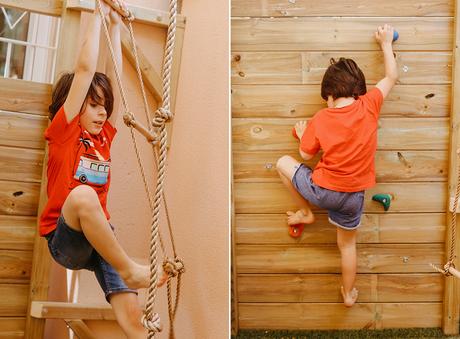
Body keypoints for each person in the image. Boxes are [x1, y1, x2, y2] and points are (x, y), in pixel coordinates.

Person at [39, 2, 165, 337]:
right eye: (93, 105)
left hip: (100, 238)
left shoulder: (103, 136)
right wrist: (97, 10)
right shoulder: (64, 132)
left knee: (133, 320)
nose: (101, 113)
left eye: (103, 107)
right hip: (65, 240)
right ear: (73, 106)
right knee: (82, 194)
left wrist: (115, 23)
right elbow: (85, 70)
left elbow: (114, 80)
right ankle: (130, 270)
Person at [276, 24, 398, 307]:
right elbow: (391, 75)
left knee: (284, 163)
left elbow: (305, 157)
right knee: (347, 245)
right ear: (358, 90)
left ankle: (306, 212)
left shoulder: (321, 117)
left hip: (323, 191)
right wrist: (385, 42)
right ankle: (348, 296)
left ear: (330, 95)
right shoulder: (369, 105)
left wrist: (303, 132)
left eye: (326, 99)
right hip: (354, 197)